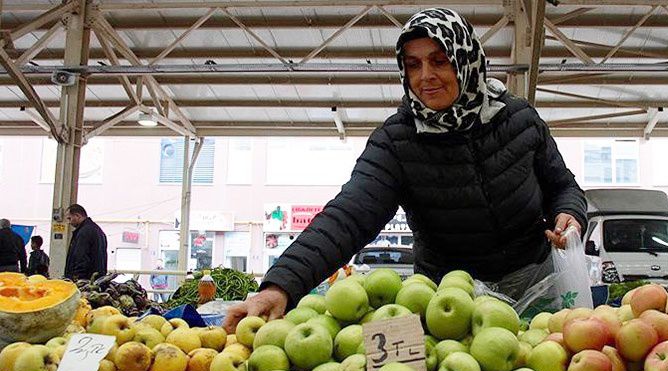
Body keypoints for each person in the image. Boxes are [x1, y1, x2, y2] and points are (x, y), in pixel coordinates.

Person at [224, 8, 587, 332]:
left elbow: (562, 185)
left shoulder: (519, 119)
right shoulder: (397, 141)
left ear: (466, 60)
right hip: (448, 305)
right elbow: (349, 216)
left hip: (538, 291)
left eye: (439, 61)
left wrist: (569, 213)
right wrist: (281, 285)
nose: (425, 76)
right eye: (413, 64)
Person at [64, 204, 108, 281]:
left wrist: (76, 279)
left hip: (85, 280)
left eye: (69, 218)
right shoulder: (98, 230)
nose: (68, 222)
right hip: (97, 279)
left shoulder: (84, 233)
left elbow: (81, 257)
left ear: (77, 216)